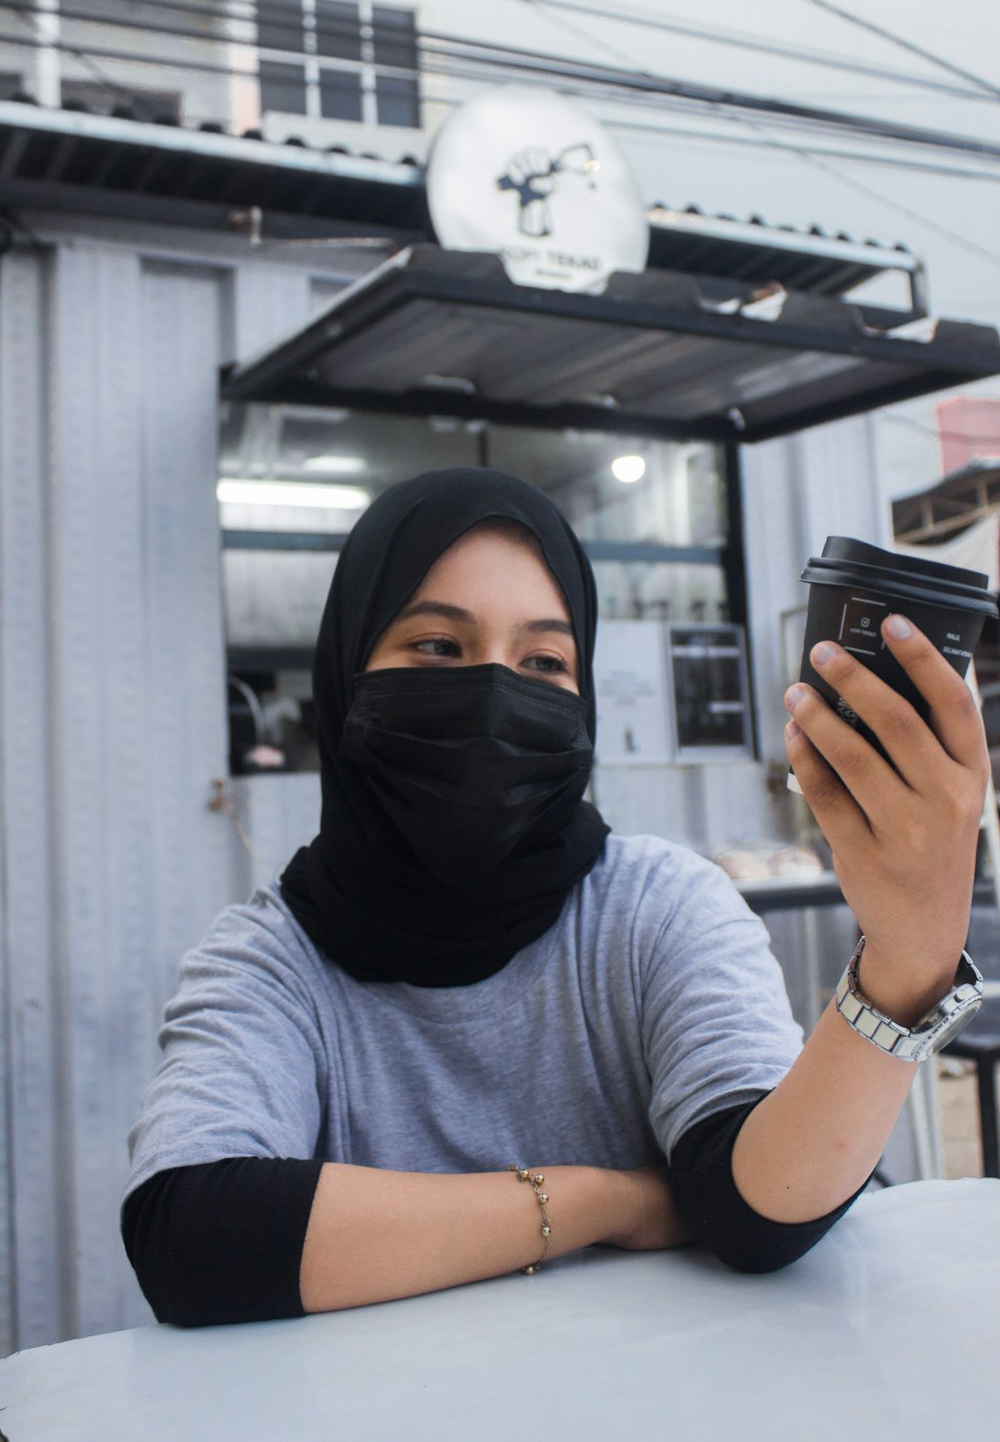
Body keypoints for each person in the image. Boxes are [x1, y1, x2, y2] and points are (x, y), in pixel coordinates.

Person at [122, 467, 988, 1327]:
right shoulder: (270, 963)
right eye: (437, 647)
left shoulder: (658, 907)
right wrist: (606, 1202)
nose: (496, 695)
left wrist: (906, 964)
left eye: (543, 660)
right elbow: (195, 1238)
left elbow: (757, 1207)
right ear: (348, 672)